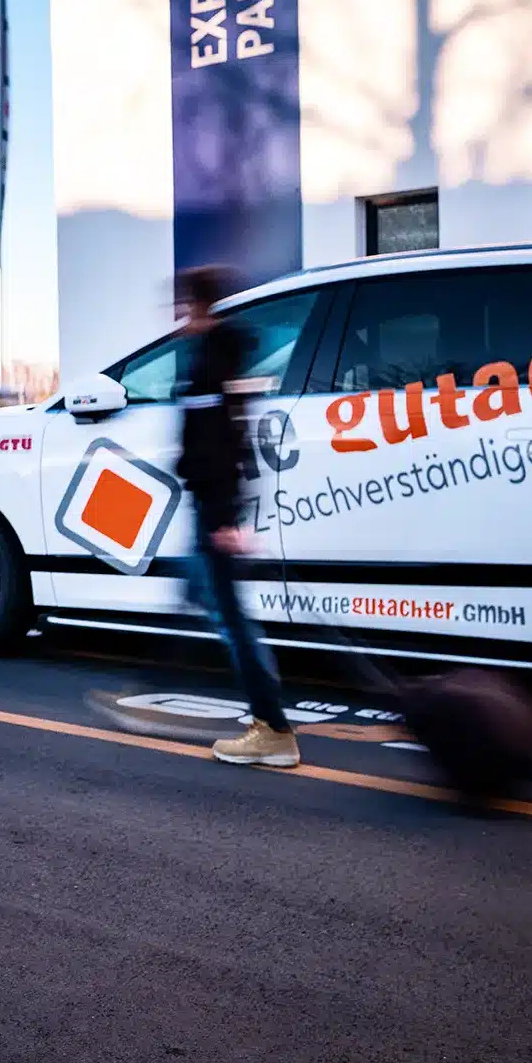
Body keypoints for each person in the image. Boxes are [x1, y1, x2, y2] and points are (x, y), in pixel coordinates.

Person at [172, 264, 300, 769]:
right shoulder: (215, 357)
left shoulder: (210, 362)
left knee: (232, 618)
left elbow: (221, 441)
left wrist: (225, 516)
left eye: (183, 307)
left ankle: (272, 728)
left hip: (214, 503)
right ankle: (266, 719)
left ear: (199, 306)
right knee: (207, 594)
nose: (180, 317)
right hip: (210, 501)